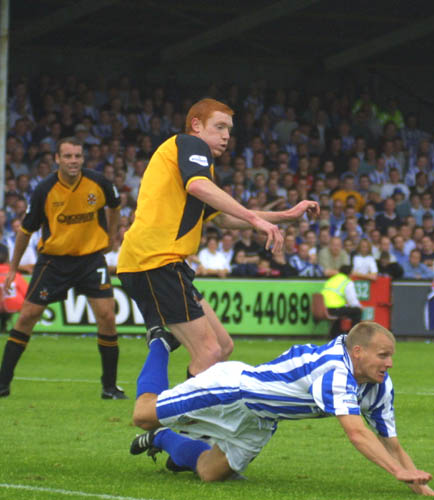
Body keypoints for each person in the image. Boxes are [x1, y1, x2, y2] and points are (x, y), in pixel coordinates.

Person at [116, 98, 319, 391]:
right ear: (197, 125)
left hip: (163, 263)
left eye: (229, 129)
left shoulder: (193, 162)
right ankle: (176, 426)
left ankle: (160, 341)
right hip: (154, 261)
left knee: (222, 346)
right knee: (209, 353)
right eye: (219, 126)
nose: (226, 135)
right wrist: (255, 219)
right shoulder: (190, 144)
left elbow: (221, 218)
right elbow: (197, 186)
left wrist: (286, 215)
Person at [128, 321, 434, 497]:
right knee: (142, 414)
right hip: (232, 390)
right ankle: (159, 343)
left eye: (391, 356)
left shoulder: (379, 384)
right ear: (358, 351)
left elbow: (390, 442)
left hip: (261, 419)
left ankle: (163, 438)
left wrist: (421, 487)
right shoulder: (335, 370)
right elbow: (357, 432)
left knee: (209, 473)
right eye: (383, 355)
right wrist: (398, 472)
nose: (390, 363)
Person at [0, 137, 124, 400]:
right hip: (54, 262)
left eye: (78, 156)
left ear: (83, 158)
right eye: (67, 156)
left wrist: (110, 237)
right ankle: (2, 384)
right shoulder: (45, 189)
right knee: (27, 316)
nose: (73, 161)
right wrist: (12, 268)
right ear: (57, 159)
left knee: (107, 316)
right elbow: (26, 230)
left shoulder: (98, 182)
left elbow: (115, 206)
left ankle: (110, 388)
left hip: (91, 259)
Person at [0, 249, 29, 332]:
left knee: (4, 304)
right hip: (15, 304)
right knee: (18, 302)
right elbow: (25, 291)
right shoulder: (14, 274)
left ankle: (3, 326)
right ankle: (20, 329)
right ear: (6, 262)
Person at [322, 264, 363, 338]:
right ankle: (354, 336)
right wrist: (360, 307)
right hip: (335, 308)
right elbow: (352, 301)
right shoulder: (347, 282)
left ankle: (335, 335)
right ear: (350, 274)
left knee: (343, 312)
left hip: (324, 308)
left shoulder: (331, 279)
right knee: (357, 311)